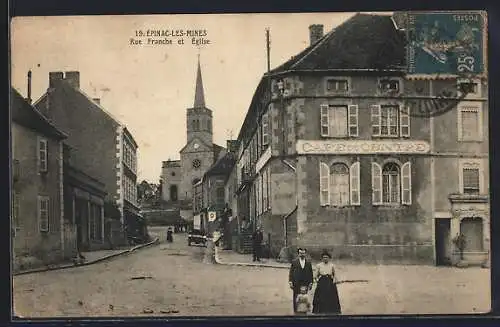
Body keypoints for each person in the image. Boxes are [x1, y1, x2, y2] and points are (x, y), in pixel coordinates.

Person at [312, 249, 342, 315]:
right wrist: (317, 280)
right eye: (324, 257)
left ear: (329, 258)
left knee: (331, 296)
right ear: (322, 258)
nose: (325, 259)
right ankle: (320, 311)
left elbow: (335, 274)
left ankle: (331, 310)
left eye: (327, 257)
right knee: (321, 296)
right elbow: (315, 275)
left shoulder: (332, 265)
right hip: (322, 282)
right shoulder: (319, 265)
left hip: (330, 282)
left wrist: (334, 280)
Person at [288, 248, 313, 314]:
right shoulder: (294, 262)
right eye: (300, 253)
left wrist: (311, 282)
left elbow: (311, 273)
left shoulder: (308, 262)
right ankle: (296, 311)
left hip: (305, 282)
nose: (302, 254)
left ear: (305, 254)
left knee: (304, 297)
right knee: (296, 297)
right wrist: (290, 282)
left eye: (303, 253)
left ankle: (303, 311)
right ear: (298, 254)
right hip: (296, 282)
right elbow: (291, 272)